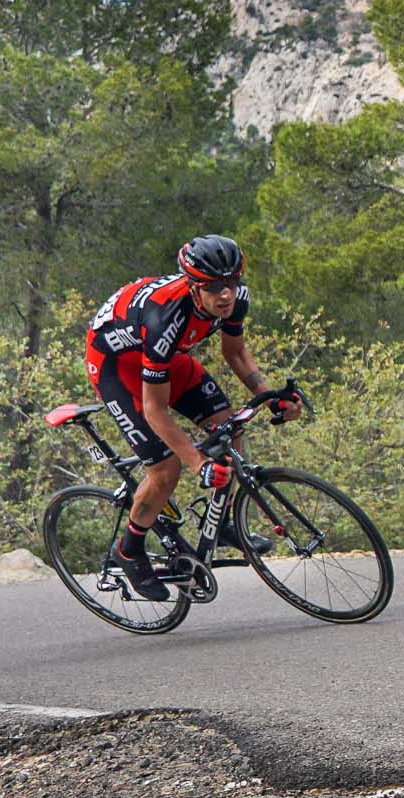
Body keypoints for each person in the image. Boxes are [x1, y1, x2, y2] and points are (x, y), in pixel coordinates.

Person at [86, 235, 298, 599]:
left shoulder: (234, 300)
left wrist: (267, 396)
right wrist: (198, 461)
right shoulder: (164, 316)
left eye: (232, 283)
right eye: (214, 287)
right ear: (193, 286)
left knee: (230, 427)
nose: (226, 295)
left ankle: (225, 520)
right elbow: (154, 409)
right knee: (167, 469)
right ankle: (129, 550)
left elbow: (236, 353)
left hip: (165, 360)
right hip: (116, 368)